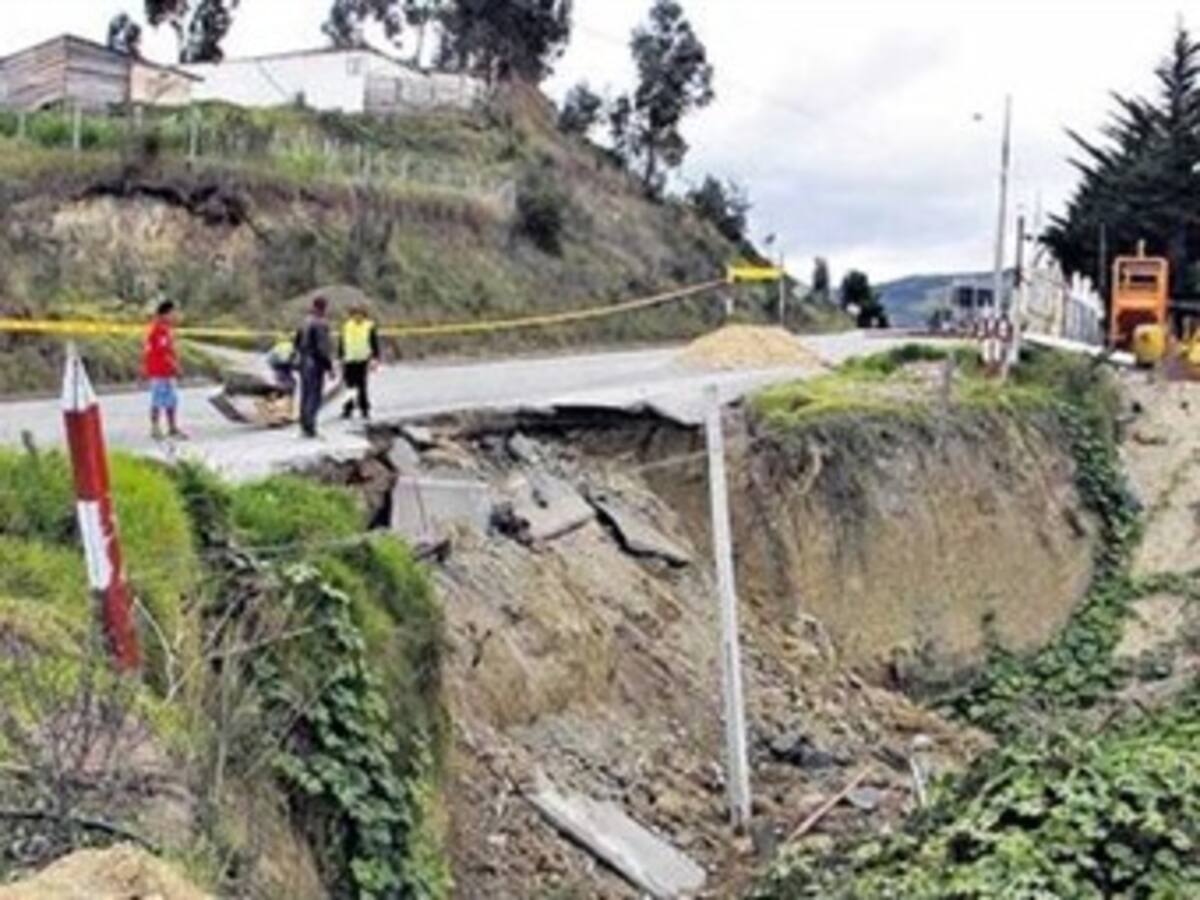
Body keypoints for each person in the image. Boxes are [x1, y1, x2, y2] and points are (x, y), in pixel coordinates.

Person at [142, 300, 187, 440]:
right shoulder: (158, 330)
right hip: (160, 371)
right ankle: (155, 428)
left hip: (167, 372)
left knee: (172, 400)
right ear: (164, 314)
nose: (174, 316)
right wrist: (176, 366)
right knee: (158, 400)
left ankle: (172, 428)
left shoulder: (165, 329)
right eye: (172, 313)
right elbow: (163, 352)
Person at [295, 296, 334, 438]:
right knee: (315, 395)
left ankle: (304, 425)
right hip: (315, 363)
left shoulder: (304, 322)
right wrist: (329, 367)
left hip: (303, 361)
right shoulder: (321, 324)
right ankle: (310, 426)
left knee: (305, 394)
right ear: (324, 308)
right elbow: (322, 348)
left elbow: (296, 342)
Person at [339, 305, 381, 420]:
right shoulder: (347, 326)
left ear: (364, 315)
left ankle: (364, 409)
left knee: (362, 386)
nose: (358, 316)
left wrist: (375, 358)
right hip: (349, 360)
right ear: (352, 315)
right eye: (355, 314)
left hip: (362, 360)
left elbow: (374, 343)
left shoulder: (369, 326)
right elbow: (342, 343)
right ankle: (348, 409)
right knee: (350, 386)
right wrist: (340, 357)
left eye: (360, 314)